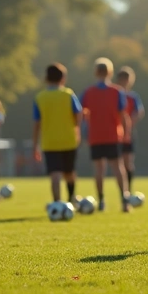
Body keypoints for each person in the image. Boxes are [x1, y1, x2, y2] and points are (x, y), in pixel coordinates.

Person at [81, 58, 131, 212]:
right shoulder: (117, 91)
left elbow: (81, 113)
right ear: (110, 72)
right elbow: (123, 115)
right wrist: (126, 132)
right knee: (118, 167)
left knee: (99, 169)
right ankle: (124, 200)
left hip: (96, 135)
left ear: (95, 72)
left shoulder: (88, 92)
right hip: (113, 135)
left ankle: (101, 200)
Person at [32, 63, 83, 204]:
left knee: (55, 174)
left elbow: (37, 123)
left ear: (46, 78)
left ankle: (57, 203)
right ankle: (72, 198)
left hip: (50, 142)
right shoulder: (68, 94)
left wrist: (35, 144)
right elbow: (79, 113)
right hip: (69, 139)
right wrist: (77, 129)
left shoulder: (40, 97)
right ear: (63, 78)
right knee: (69, 172)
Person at [115, 66, 145, 195]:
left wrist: (129, 124)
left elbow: (139, 112)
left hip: (129, 133)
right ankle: (123, 192)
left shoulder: (133, 97)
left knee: (128, 163)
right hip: (115, 133)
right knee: (117, 163)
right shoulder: (114, 94)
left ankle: (128, 190)